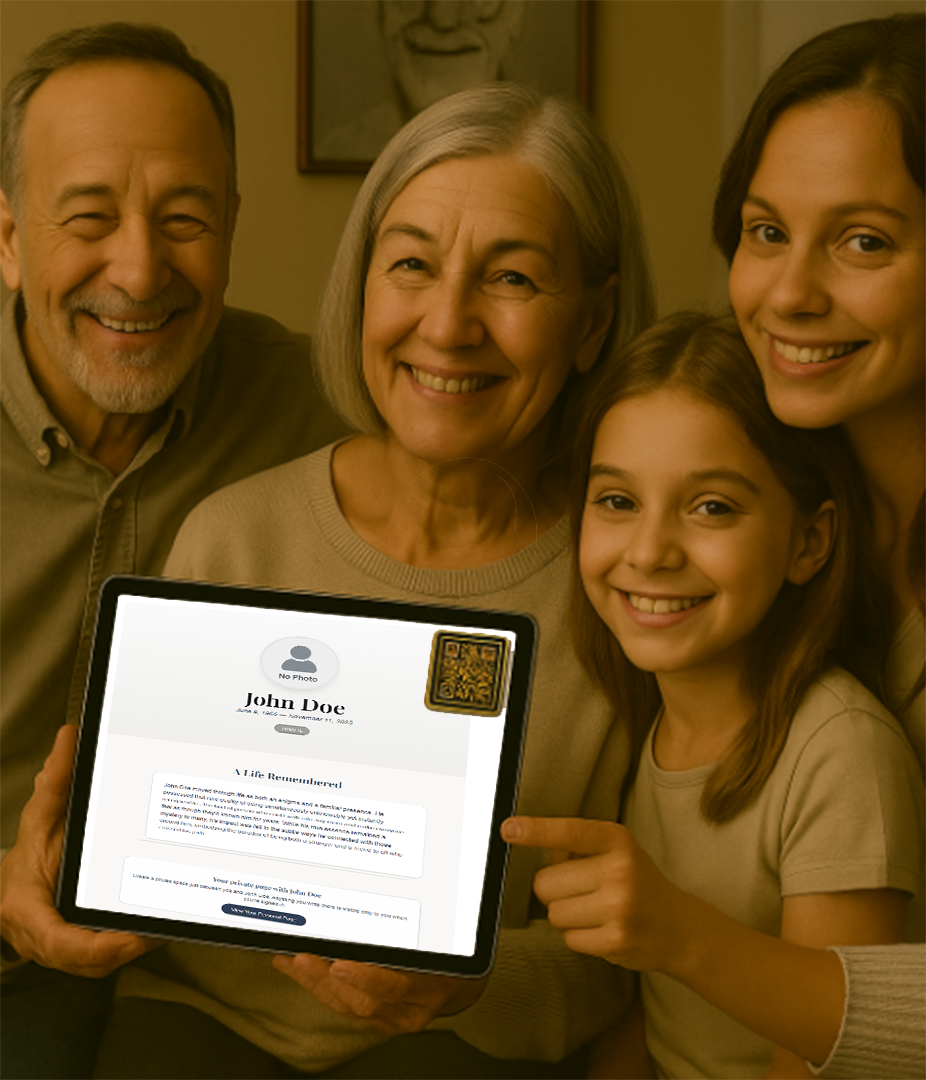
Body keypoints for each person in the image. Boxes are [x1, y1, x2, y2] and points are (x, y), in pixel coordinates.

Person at [85, 82, 656, 1078]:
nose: (446, 323)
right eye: (411, 265)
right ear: (361, 286)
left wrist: (472, 982)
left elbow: (624, 958)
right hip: (192, 1025)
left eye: (511, 279)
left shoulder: (629, 588)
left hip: (452, 1053)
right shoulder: (230, 539)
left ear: (593, 320)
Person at [0, 22, 346, 1079]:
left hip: (196, 973)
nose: (140, 270)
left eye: (185, 218)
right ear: (9, 238)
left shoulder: (324, 408)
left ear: (233, 227)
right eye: (90, 217)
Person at [504, 312, 923, 1079]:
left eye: (712, 508)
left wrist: (674, 930)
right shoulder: (641, 721)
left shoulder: (840, 753)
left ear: (809, 542)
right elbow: (649, 1016)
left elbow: (830, 1051)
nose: (652, 551)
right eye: (618, 502)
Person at [717, 13, 925, 1077]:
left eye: (861, 242)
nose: (788, 294)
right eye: (763, 232)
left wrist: (687, 941)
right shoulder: (760, 505)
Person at [318, 0, 525, 162]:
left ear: (518, 11)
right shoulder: (343, 145)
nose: (442, 19)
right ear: (377, 10)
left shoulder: (543, 161)